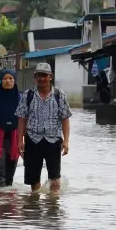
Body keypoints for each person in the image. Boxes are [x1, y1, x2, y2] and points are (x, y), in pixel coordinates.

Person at [16, 63, 71, 193]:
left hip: (53, 140)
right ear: (35, 77)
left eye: (44, 75)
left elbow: (65, 119)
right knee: (33, 180)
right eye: (39, 75)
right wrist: (20, 141)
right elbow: (22, 118)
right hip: (32, 140)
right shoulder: (28, 95)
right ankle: (35, 202)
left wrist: (66, 141)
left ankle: (53, 202)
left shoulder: (59, 95)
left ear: (50, 76)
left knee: (55, 179)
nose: (41, 78)